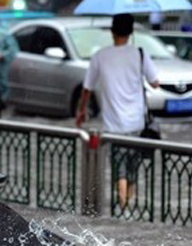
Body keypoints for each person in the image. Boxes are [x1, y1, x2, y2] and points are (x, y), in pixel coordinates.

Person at [76, 13, 160, 214]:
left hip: (113, 126)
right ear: (131, 32)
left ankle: (121, 210)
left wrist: (81, 112)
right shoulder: (140, 53)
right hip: (137, 124)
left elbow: (86, 89)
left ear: (112, 32)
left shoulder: (100, 56)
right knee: (132, 170)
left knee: (119, 171)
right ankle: (128, 208)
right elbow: (155, 83)